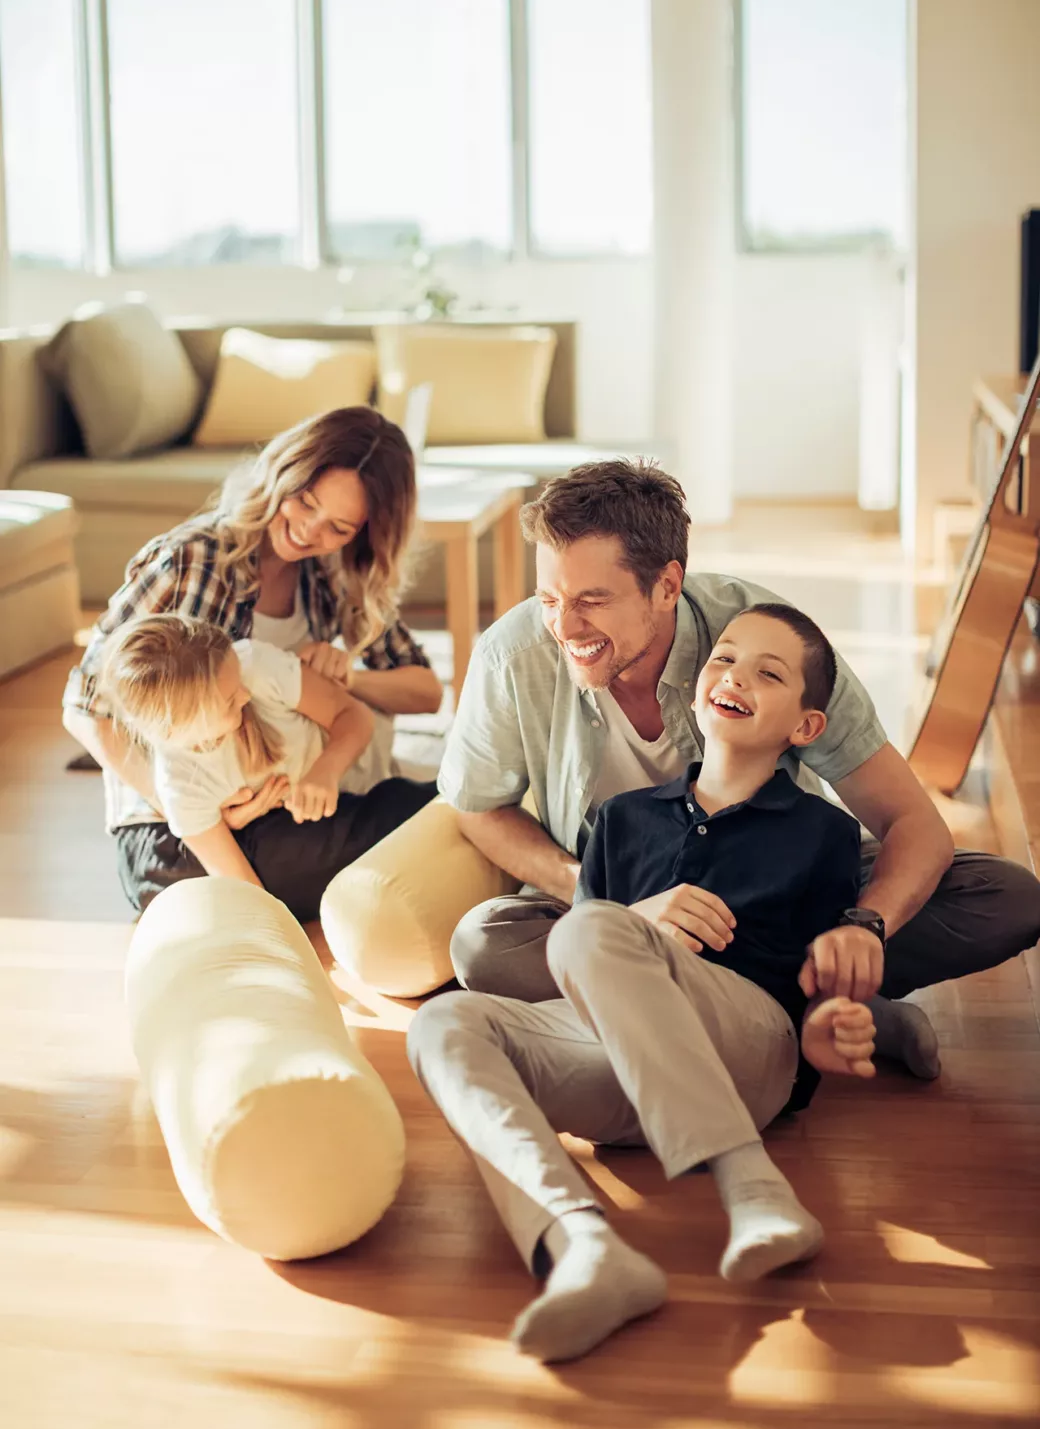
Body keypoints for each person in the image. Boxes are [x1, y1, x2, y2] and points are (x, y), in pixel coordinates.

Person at [438, 459, 1040, 1071]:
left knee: (1007, 897)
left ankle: (697, 1009)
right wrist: (612, 910)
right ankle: (820, 1013)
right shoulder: (512, 656)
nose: (564, 628)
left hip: (775, 898)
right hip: (618, 898)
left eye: (592, 601)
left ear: (668, 585)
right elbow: (478, 808)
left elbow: (911, 819)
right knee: (483, 944)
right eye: (549, 599)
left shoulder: (767, 639)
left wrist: (865, 926)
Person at [409, 603, 878, 1364]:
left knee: (590, 927)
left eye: (769, 672)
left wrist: (831, 1024)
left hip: (747, 1053)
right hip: (618, 1067)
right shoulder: (620, 821)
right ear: (696, 689)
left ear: (807, 727)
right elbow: (589, 963)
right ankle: (585, 1247)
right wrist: (636, 921)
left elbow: (818, 977)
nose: (736, 677)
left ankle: (753, 1188)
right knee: (442, 1024)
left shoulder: (822, 834)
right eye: (724, 660)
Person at [63, 406, 440, 921]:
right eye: (304, 502)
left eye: (339, 527)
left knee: (404, 822)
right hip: (173, 828)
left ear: (364, 533)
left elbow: (425, 691)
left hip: (279, 807)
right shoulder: (190, 561)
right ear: (283, 473)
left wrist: (346, 676)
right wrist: (199, 811)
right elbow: (83, 707)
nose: (309, 531)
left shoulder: (329, 575)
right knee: (417, 825)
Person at [100, 613, 404, 890]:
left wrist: (325, 771)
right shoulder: (180, 787)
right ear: (176, 729)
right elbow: (245, 888)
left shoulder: (254, 665)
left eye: (238, 684)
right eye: (230, 700)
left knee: (401, 820)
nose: (245, 695)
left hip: (366, 780)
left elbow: (356, 716)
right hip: (297, 823)